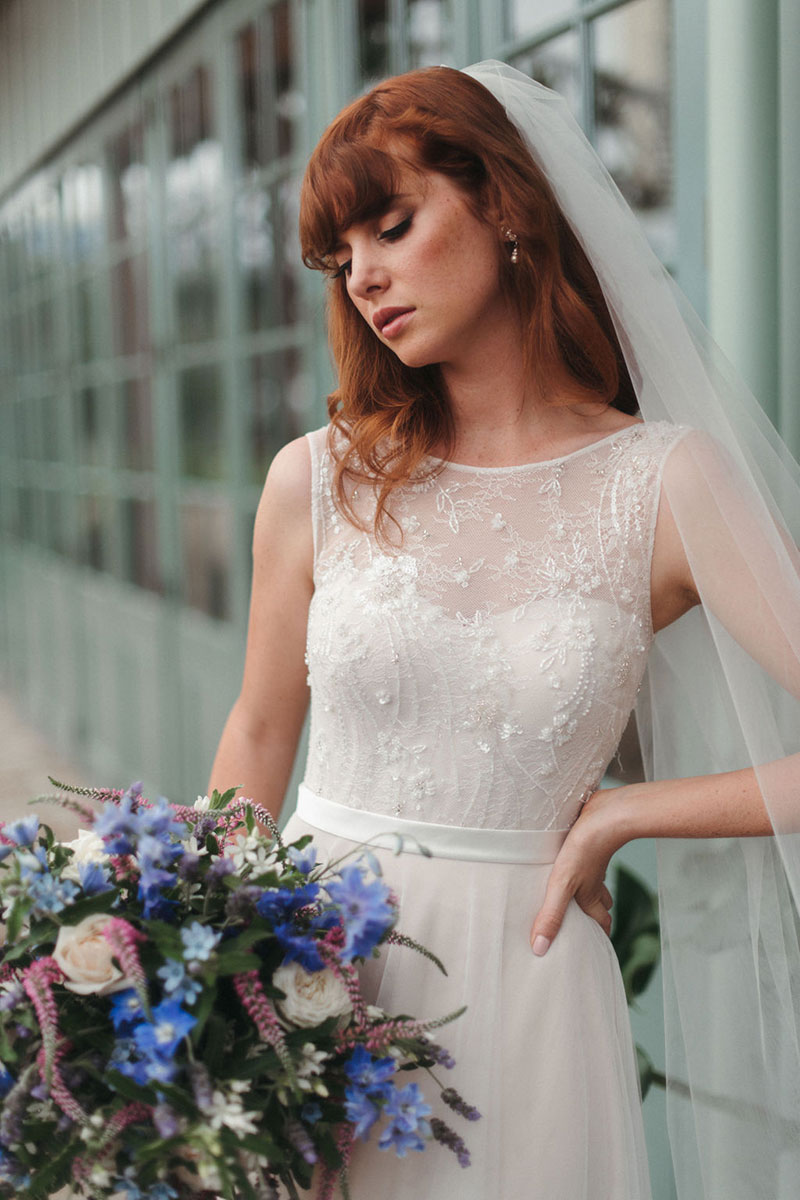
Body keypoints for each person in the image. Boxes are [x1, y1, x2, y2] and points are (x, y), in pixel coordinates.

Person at [209, 62, 800, 1199]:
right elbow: (257, 732)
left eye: (391, 225)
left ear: (504, 206)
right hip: (311, 979)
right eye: (341, 261)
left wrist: (628, 813)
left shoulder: (664, 481)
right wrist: (201, 983)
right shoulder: (316, 481)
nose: (366, 279)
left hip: (524, 992)